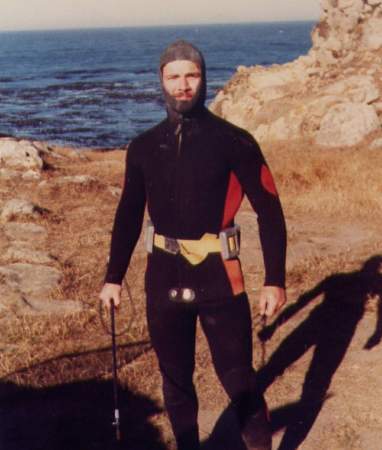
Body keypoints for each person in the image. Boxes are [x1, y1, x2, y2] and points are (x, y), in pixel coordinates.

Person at [99, 40, 287, 450]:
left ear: (203, 79)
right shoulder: (144, 147)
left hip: (220, 278)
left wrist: (275, 280)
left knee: (239, 378)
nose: (183, 85)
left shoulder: (234, 140)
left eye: (191, 75)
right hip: (163, 280)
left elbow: (270, 211)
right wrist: (113, 278)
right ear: (161, 82)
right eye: (174, 76)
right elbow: (128, 215)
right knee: (175, 380)